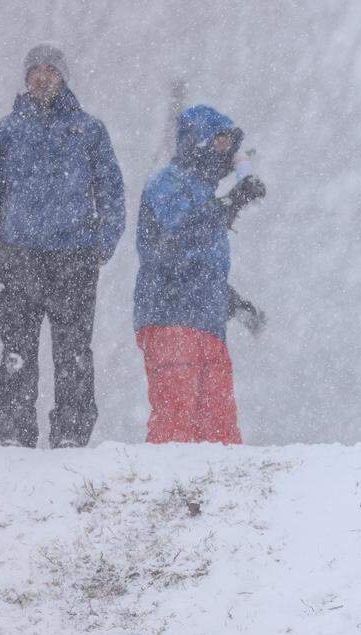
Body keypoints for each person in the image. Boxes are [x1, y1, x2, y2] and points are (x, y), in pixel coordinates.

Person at [0, 43, 125, 448]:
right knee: (17, 351)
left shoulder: (89, 131)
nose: (42, 76)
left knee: (73, 351)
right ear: (26, 78)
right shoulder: (4, 132)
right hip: (17, 256)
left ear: (63, 77)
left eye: (50, 70)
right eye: (35, 70)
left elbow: (111, 190)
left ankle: (71, 436)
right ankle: (16, 438)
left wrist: (101, 246)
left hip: (74, 257)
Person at [133, 105, 266, 444]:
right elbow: (177, 236)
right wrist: (231, 202)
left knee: (219, 428)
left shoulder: (203, 193)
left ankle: (221, 496)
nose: (226, 152)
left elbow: (199, 266)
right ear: (197, 142)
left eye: (228, 144)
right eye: (218, 142)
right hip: (170, 318)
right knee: (175, 419)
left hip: (207, 323)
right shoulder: (167, 183)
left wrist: (232, 302)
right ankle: (162, 490)